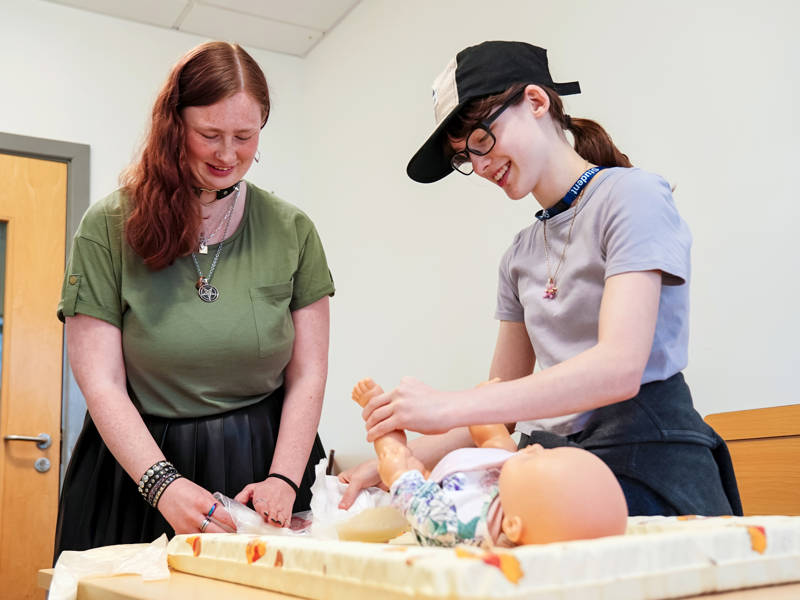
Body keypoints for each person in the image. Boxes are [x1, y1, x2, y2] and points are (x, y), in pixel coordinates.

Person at [340, 40, 741, 517]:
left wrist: (449, 405)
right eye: (466, 157)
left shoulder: (633, 197)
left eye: (483, 140)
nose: (482, 165)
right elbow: (500, 407)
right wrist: (387, 464)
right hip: (562, 468)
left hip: (652, 461)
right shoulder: (519, 256)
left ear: (535, 101)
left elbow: (619, 366)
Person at [54, 41, 335, 559]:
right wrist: (161, 484)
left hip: (264, 462)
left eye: (245, 137)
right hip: (139, 467)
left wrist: (284, 477)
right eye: (209, 135)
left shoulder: (292, 230)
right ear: (173, 126)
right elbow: (100, 380)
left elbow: (309, 373)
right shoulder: (108, 227)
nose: (228, 155)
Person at [351, 378, 627, 548]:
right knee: (497, 442)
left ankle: (377, 410)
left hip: (440, 489)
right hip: (494, 478)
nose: (537, 447)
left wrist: (399, 475)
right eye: (548, 452)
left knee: (396, 460)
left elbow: (414, 497)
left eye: (537, 458)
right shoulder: (523, 492)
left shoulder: (455, 525)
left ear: (513, 526)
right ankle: (483, 408)